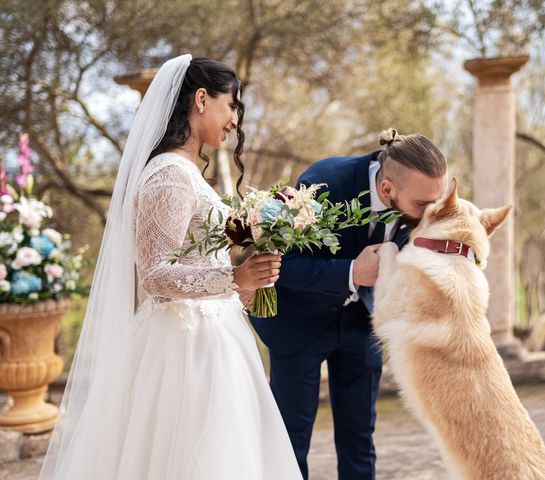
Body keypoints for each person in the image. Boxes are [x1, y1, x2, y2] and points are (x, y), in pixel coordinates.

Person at [39, 55, 302, 480]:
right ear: (201, 98)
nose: (235, 119)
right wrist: (233, 277)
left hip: (214, 337)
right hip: (183, 349)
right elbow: (156, 276)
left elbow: (197, 262)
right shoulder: (169, 175)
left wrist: (247, 284)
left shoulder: (188, 174)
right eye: (231, 104)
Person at [250, 129, 448, 480]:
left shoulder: (421, 205)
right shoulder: (324, 183)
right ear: (387, 190)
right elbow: (281, 266)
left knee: (359, 440)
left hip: (360, 326)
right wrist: (354, 271)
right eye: (423, 205)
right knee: (290, 442)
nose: (431, 214)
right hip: (300, 325)